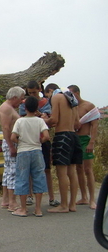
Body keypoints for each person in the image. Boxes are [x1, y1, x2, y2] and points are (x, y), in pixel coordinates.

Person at [43, 83, 82, 213]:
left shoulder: (56, 97)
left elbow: (54, 119)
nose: (48, 98)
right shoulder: (71, 98)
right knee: (72, 171)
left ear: (50, 91)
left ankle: (64, 205)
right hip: (73, 135)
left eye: (47, 95)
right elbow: (77, 123)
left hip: (62, 135)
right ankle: (72, 204)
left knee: (62, 172)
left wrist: (44, 120)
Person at [19, 81, 59, 207]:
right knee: (29, 170)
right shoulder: (23, 104)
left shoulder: (46, 102)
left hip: (42, 140)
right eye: (30, 93)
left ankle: (51, 198)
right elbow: (22, 118)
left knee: (46, 169)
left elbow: (49, 120)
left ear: (39, 89)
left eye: (34, 92)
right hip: (29, 141)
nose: (32, 95)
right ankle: (30, 196)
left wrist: (40, 116)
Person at [11, 96, 50, 217]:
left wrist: (20, 142)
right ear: (37, 107)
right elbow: (46, 136)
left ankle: (23, 208)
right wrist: (39, 141)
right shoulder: (40, 121)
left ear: (25, 107)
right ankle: (38, 209)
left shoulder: (20, 121)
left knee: (22, 178)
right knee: (39, 177)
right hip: (37, 150)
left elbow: (13, 137)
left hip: (23, 151)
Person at [68, 85, 100, 209]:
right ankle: (84, 197)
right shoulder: (72, 107)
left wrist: (92, 142)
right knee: (78, 169)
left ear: (77, 93)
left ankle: (92, 199)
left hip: (85, 139)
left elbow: (95, 125)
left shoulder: (89, 106)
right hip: (75, 139)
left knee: (88, 169)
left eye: (72, 94)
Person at [0, 86, 25, 211]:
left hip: (11, 143)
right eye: (20, 99)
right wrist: (11, 146)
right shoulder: (6, 108)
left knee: (8, 171)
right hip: (10, 143)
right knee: (12, 171)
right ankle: (12, 201)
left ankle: (6, 200)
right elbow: (6, 128)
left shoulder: (9, 108)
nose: (21, 101)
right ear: (14, 98)